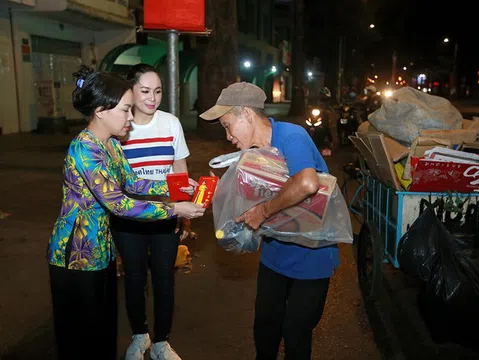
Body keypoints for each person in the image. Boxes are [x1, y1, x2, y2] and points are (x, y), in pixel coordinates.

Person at [46, 65, 205, 360]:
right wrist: (173, 208)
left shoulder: (111, 145)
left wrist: (176, 186)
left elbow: (132, 181)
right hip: (76, 257)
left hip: (101, 252)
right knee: (80, 339)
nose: (131, 118)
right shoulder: (84, 150)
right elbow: (119, 202)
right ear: (101, 111)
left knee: (104, 330)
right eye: (125, 110)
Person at [200, 82, 340, 360]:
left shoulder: (291, 136)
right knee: (265, 331)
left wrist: (263, 212)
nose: (228, 136)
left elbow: (308, 183)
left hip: (312, 259)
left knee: (296, 334)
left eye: (228, 125)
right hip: (275, 256)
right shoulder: (253, 154)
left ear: (247, 115)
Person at [111, 63, 192, 360]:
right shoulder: (119, 128)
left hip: (166, 216)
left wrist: (182, 212)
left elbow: (179, 169)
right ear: (130, 91)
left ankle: (161, 342)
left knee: (164, 280)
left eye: (157, 91)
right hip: (128, 218)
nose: (152, 98)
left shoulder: (171, 123)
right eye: (145, 91)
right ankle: (140, 335)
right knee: (133, 278)